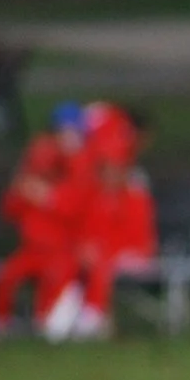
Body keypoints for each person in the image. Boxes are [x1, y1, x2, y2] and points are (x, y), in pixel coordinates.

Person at [48, 104, 154, 343]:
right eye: (105, 169)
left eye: (114, 169)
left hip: (130, 254)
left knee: (98, 265)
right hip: (101, 255)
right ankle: (61, 319)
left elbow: (137, 237)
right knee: (75, 264)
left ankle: (91, 319)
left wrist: (99, 250)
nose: (110, 174)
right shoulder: (95, 196)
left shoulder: (134, 196)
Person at [0, 103, 87, 335]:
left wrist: (46, 196)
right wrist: (23, 188)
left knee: (54, 287)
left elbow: (75, 210)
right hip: (32, 249)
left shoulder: (79, 169)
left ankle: (47, 326)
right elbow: (10, 209)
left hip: (62, 250)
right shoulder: (36, 168)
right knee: (6, 278)